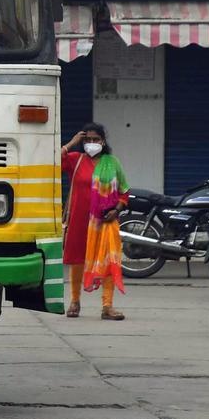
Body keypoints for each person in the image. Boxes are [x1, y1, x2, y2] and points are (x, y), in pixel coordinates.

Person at [61, 123, 129, 320]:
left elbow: (125, 192)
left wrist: (116, 210)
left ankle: (107, 306)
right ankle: (75, 301)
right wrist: (71, 143)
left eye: (95, 139)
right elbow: (51, 162)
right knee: (77, 261)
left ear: (103, 141)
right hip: (79, 219)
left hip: (105, 220)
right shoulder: (76, 159)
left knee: (107, 260)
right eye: (87, 140)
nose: (91, 143)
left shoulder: (113, 162)